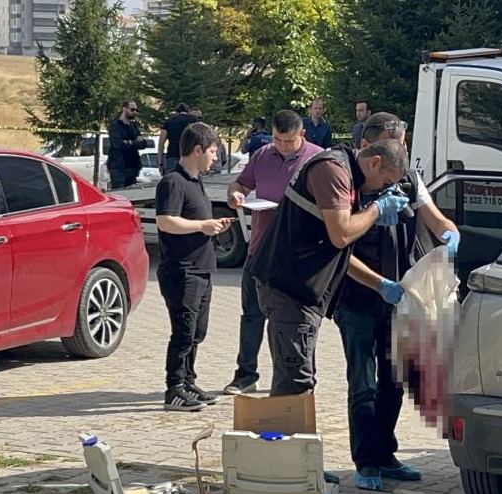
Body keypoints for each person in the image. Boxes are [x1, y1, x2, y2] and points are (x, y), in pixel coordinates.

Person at [336, 112, 460, 490]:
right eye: (396, 141)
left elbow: (436, 220)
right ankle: (365, 461)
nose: (402, 149)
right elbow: (338, 246)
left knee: (393, 380)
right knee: (363, 382)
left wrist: (450, 236)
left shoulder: (408, 177)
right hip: (357, 295)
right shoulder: (347, 179)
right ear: (372, 143)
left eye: (403, 143)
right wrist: (378, 284)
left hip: (398, 296)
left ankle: (385, 453)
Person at [251, 138, 410, 399]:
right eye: (385, 183)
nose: (383, 191)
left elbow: (339, 252)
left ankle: (289, 436)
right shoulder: (333, 170)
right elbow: (341, 235)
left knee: (300, 377)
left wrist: (379, 284)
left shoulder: (349, 176)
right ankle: (282, 436)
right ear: (374, 163)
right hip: (290, 289)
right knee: (295, 382)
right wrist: (376, 210)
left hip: (302, 291)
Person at [222, 110, 323, 395]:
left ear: (301, 135)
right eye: (277, 139)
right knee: (252, 314)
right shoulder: (263, 155)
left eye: (288, 141)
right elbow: (241, 183)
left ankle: (301, 376)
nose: (281, 146)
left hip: (296, 254)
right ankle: (245, 374)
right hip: (260, 248)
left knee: (298, 320)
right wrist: (236, 194)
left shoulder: (317, 159)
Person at [155, 122, 233, 412]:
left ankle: (188, 380)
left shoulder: (195, 180)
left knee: (197, 332)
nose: (215, 157)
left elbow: (192, 221)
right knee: (183, 331)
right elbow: (166, 221)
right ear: (197, 150)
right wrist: (202, 225)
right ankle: (174, 388)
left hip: (202, 268)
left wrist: (212, 226)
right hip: (182, 271)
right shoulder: (172, 182)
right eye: (212, 151)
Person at [107, 100, 148, 189]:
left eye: (136, 110)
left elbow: (143, 144)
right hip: (118, 167)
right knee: (119, 195)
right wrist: (135, 142)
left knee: (132, 195)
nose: (135, 112)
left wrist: (129, 142)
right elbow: (117, 144)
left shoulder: (134, 126)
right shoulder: (115, 125)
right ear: (124, 109)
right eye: (132, 110)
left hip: (133, 167)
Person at [158, 103, 199, 175]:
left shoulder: (169, 122)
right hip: (189, 156)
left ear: (176, 112)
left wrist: (160, 163)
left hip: (172, 155)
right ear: (188, 111)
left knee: (171, 182)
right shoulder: (194, 121)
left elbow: (161, 144)